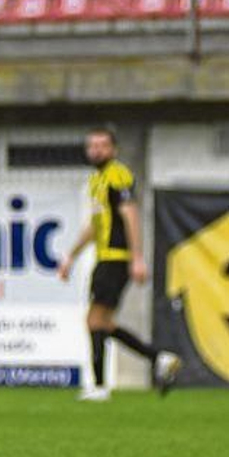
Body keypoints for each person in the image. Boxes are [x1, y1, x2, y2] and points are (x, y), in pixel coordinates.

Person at [57, 127, 181, 401]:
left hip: (115, 259)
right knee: (104, 323)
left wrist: (137, 257)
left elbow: (130, 215)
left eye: (102, 145)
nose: (96, 150)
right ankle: (159, 358)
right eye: (92, 146)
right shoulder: (97, 180)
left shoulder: (118, 175)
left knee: (94, 320)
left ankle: (100, 387)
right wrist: (71, 256)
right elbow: (95, 226)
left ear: (113, 149)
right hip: (105, 258)